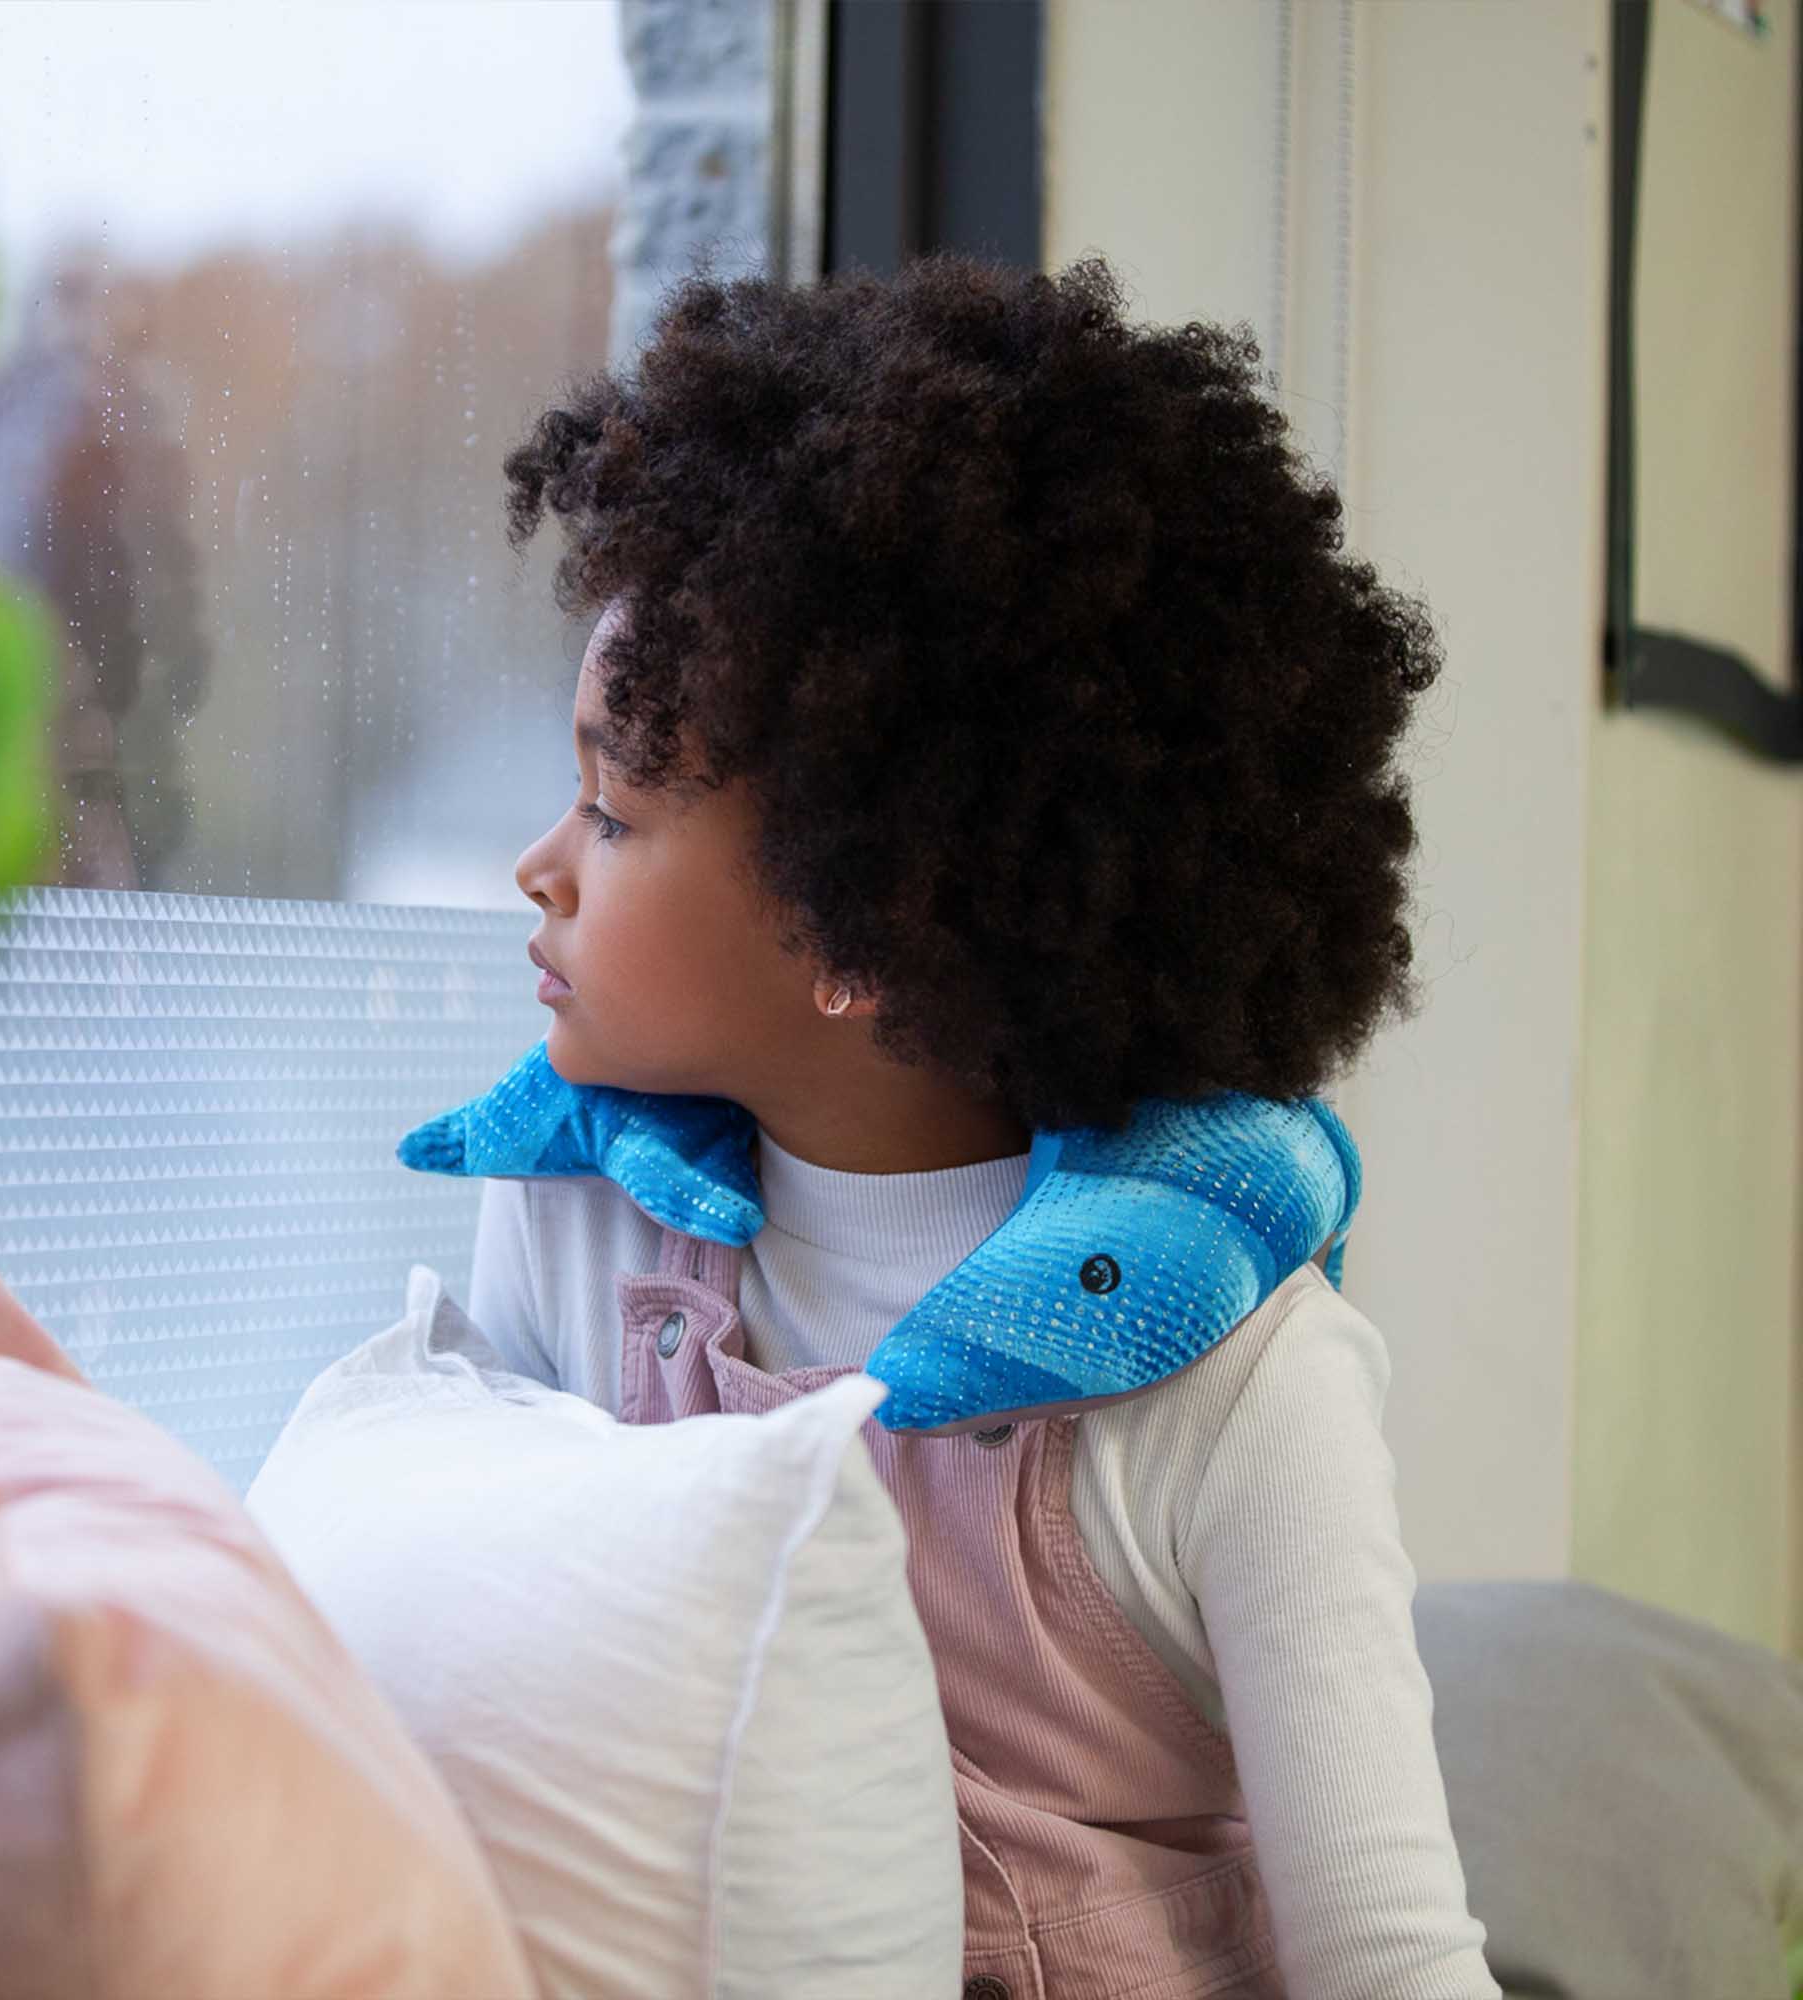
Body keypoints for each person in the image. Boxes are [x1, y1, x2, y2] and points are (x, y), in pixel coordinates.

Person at [462, 249, 1500, 2000]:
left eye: (613, 809)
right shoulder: (577, 1232)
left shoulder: (1238, 1393)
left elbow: (1391, 1965)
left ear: (862, 925)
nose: (540, 865)